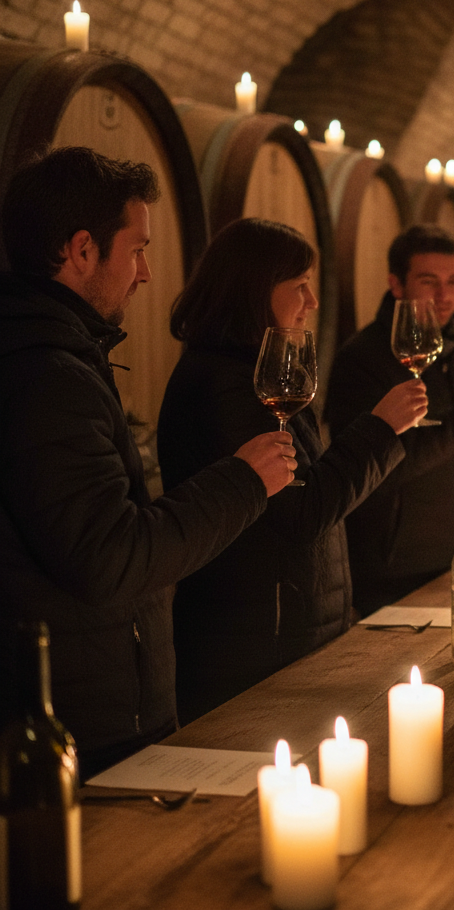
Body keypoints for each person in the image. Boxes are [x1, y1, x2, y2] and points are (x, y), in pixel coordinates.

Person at [0, 147, 295, 778]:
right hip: (88, 729)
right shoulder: (49, 377)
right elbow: (111, 556)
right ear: (81, 252)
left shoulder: (59, 356)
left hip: (94, 711)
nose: (146, 272)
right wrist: (244, 480)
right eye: (136, 249)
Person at [157, 218, 427, 724]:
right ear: (255, 289)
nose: (313, 301)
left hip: (279, 629)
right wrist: (382, 428)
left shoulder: (249, 372)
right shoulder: (227, 386)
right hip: (250, 644)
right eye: (299, 285)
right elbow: (302, 511)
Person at [325, 224, 454, 614]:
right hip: (391, 573)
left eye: (453, 281)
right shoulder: (362, 360)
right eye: (429, 282)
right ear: (396, 284)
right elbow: (371, 470)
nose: (444, 296)